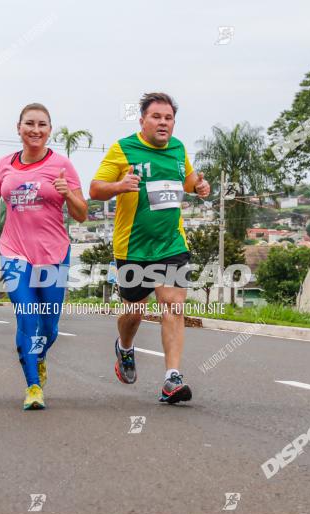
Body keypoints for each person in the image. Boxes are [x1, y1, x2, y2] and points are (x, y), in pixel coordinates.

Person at [89, 92, 210, 404]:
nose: (163, 123)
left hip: (171, 243)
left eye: (168, 118)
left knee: (173, 305)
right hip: (133, 247)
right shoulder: (123, 149)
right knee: (135, 311)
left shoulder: (178, 148)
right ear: (142, 120)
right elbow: (95, 188)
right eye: (156, 117)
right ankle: (125, 347)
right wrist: (118, 186)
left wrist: (199, 186)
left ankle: (172, 377)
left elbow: (187, 180)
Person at [0, 103, 88, 410]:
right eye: (29, 124)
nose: (35, 130)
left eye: (42, 125)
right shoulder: (3, 165)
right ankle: (33, 386)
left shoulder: (62, 165)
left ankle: (36, 354)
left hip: (54, 253)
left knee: (49, 327)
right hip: (14, 252)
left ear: (49, 130)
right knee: (27, 314)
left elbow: (81, 215)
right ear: (18, 127)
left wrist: (68, 194)